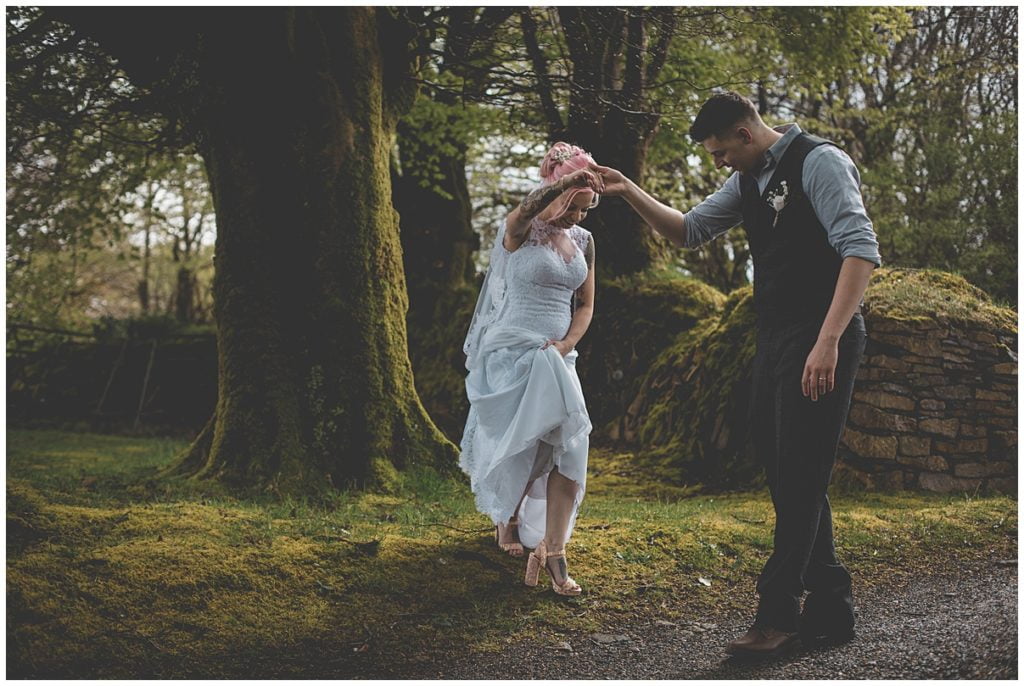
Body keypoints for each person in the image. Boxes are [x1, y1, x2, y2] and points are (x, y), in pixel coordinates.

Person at [591, 92, 881, 656]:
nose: (717, 163)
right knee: (787, 474)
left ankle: (778, 616)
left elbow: (860, 251)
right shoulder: (747, 179)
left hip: (822, 336)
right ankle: (832, 607)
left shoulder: (818, 162)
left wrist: (829, 341)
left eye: (721, 152)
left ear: (745, 134)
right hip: (773, 338)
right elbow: (689, 230)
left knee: (800, 475)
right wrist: (627, 189)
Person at [460, 142, 604, 596]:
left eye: (586, 209)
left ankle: (555, 548)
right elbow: (525, 209)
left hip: (559, 355)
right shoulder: (520, 230)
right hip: (512, 351)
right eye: (575, 207)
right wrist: (566, 182)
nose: (580, 217)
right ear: (557, 194)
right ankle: (508, 516)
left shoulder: (584, 241)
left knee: (570, 442)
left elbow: (585, 304)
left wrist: (565, 345)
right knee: (520, 445)